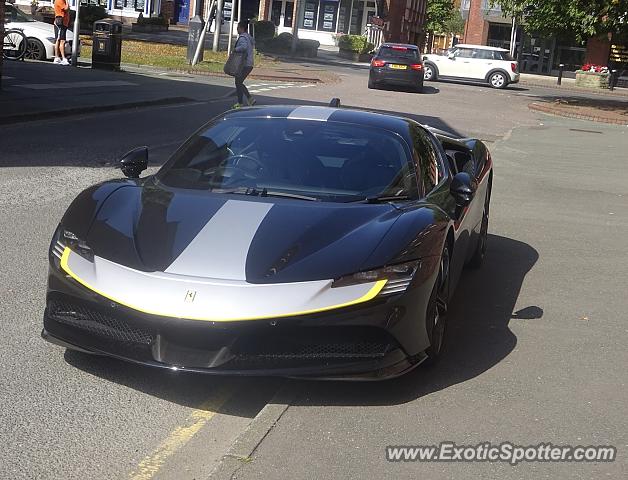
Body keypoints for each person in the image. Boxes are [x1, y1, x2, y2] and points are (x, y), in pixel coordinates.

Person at [233, 20, 256, 108]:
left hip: (244, 64)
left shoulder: (242, 38)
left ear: (242, 28)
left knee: (238, 82)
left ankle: (240, 103)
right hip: (249, 63)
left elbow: (244, 47)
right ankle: (249, 99)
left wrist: (235, 49)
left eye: (237, 28)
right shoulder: (248, 37)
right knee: (239, 82)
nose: (237, 30)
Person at [53, 0, 70, 65]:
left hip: (63, 23)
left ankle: (57, 57)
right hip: (61, 22)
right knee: (61, 40)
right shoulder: (60, 0)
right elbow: (66, 8)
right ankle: (63, 58)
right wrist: (67, 1)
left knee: (59, 40)